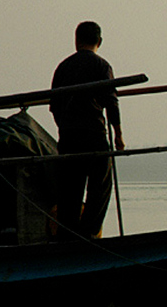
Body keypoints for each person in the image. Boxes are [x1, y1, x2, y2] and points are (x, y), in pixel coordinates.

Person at [49, 21, 125, 240]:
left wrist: (64, 127)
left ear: (76, 40)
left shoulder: (63, 67)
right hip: (94, 134)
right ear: (99, 42)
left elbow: (54, 106)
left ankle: (67, 236)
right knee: (100, 186)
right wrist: (118, 136)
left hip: (69, 136)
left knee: (70, 191)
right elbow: (111, 103)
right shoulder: (102, 66)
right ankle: (89, 233)